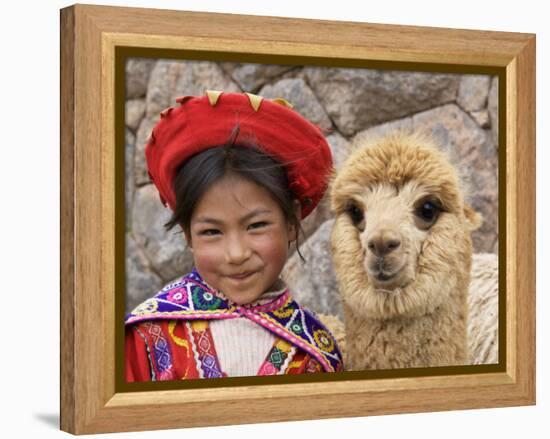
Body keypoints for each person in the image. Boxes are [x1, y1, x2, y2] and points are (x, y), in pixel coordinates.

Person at [125, 90, 344, 382]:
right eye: (211, 231)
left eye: (256, 226)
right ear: (188, 235)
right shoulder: (146, 337)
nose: (236, 253)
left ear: (291, 222)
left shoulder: (316, 354)